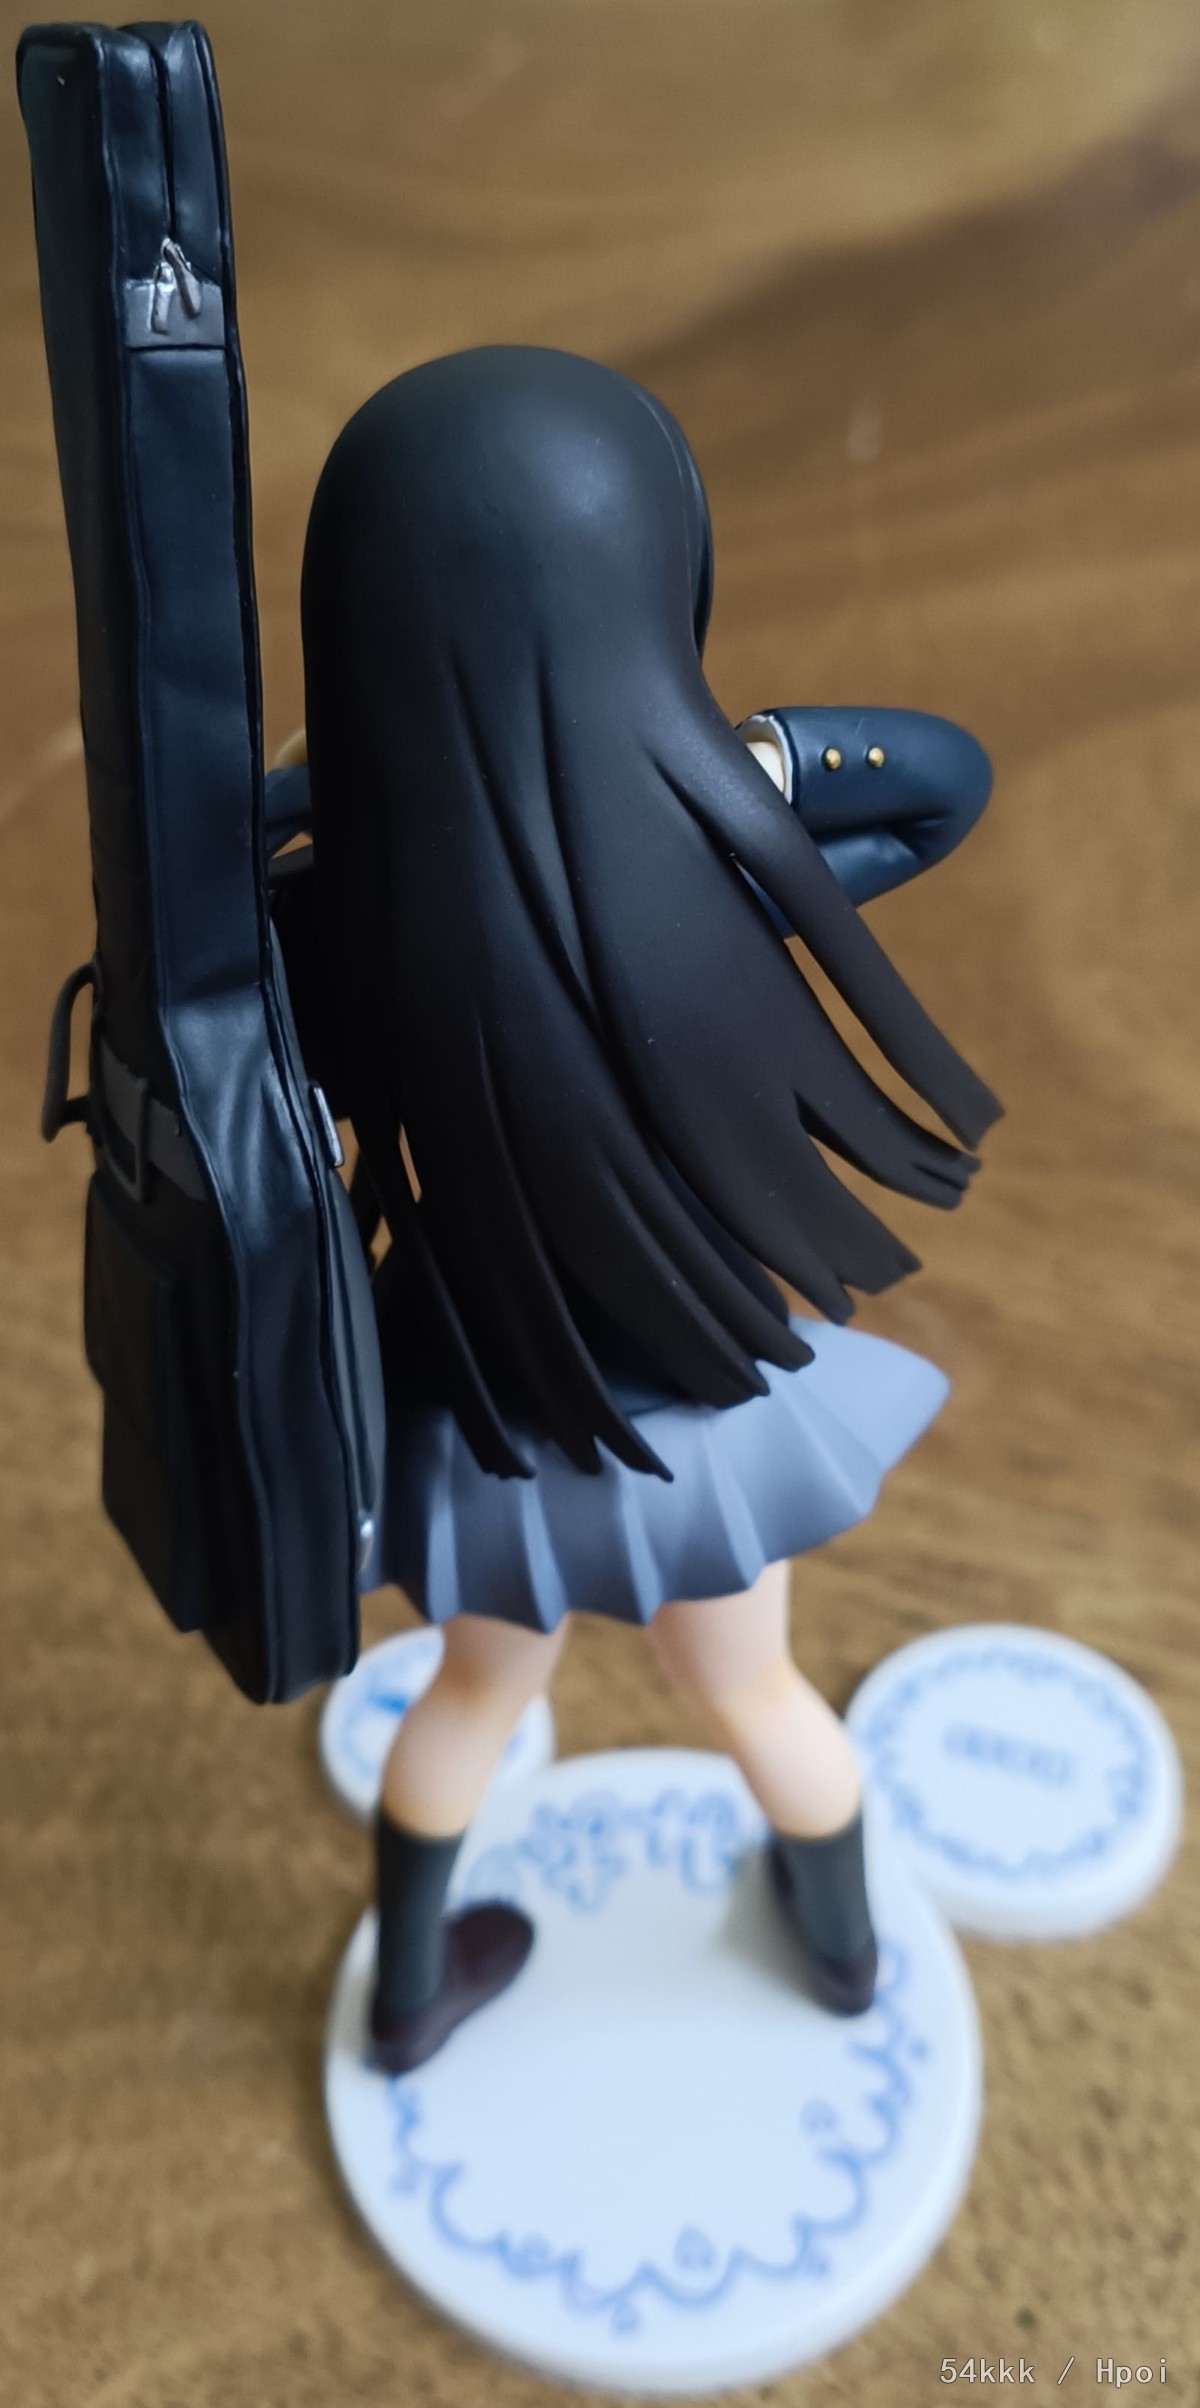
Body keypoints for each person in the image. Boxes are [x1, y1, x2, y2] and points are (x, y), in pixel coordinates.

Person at [293, 344, 1000, 2072]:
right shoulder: (714, 857)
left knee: (475, 1695)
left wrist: (348, 769)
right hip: (697, 1415)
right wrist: (734, 772)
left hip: (494, 1421)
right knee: (752, 1690)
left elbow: (246, 942)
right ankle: (842, 1951)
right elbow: (942, 775)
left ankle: (407, 1999)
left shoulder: (333, 911)